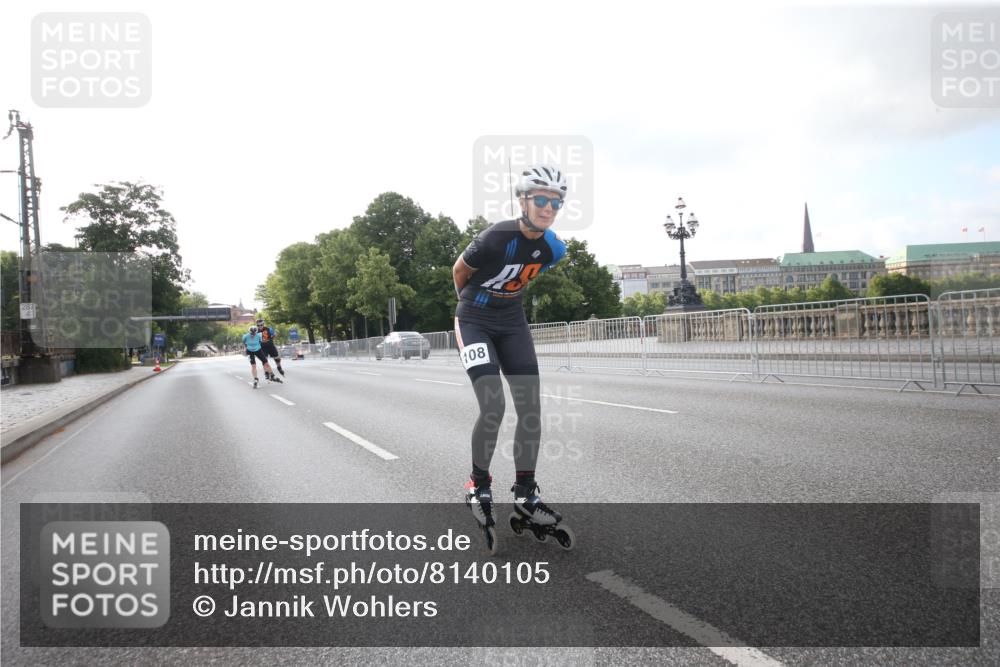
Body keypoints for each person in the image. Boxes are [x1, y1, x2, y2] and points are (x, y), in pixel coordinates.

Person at [453, 164, 571, 544]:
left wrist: (503, 303)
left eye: (556, 202)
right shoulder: (493, 238)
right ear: (522, 200)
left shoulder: (554, 248)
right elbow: (460, 271)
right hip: (473, 320)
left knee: (530, 409)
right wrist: (471, 310)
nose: (548, 207)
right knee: (493, 406)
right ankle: (478, 483)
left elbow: (524, 275)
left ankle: (525, 491)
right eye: (540, 199)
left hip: (512, 322)